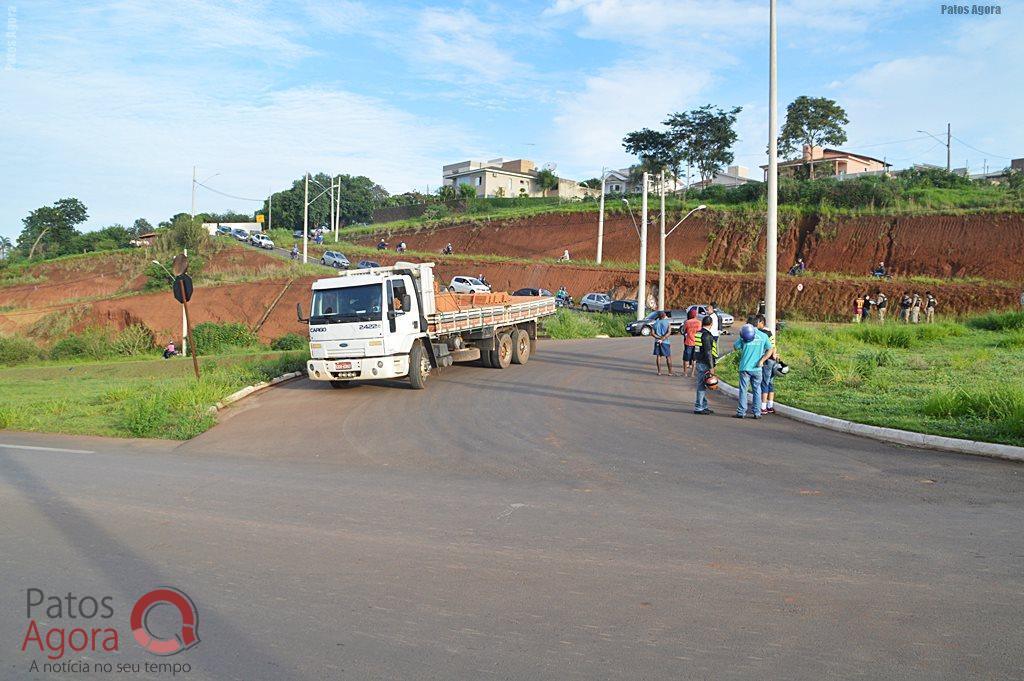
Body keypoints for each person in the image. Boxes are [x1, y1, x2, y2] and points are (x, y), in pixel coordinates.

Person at [733, 323, 773, 419]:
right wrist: (762, 360)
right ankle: (757, 412)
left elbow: (735, 347)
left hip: (745, 367)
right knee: (757, 390)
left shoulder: (744, 334)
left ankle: (741, 412)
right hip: (757, 368)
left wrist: (741, 338)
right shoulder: (763, 336)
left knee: (743, 390)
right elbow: (770, 349)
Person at [692, 315, 718, 415]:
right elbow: (708, 352)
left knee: (702, 385)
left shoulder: (699, 333)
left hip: (700, 361)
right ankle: (699, 407)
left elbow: (697, 349)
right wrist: (711, 367)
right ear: (711, 324)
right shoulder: (707, 335)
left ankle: (704, 406)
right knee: (701, 386)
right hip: (705, 363)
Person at [754, 315, 778, 415]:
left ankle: (763, 407)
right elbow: (774, 347)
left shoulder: (762, 333)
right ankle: (770, 406)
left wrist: (762, 360)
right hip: (773, 360)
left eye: (757, 322)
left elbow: (768, 348)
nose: (755, 324)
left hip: (767, 361)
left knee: (764, 383)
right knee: (770, 383)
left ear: (761, 322)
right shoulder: (770, 332)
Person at [682, 308, 702, 377]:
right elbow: (699, 331)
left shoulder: (687, 322)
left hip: (688, 342)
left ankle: (685, 373)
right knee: (694, 359)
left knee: (686, 358)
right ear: (695, 315)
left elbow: (684, 331)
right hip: (696, 342)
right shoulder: (699, 322)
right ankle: (692, 374)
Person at [651, 311, 673, 375]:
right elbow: (669, 332)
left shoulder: (655, 323)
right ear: (664, 315)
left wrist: (658, 337)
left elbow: (652, 333)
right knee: (668, 356)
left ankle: (659, 372)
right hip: (665, 342)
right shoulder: (667, 323)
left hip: (657, 341)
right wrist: (662, 338)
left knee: (658, 356)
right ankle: (670, 372)